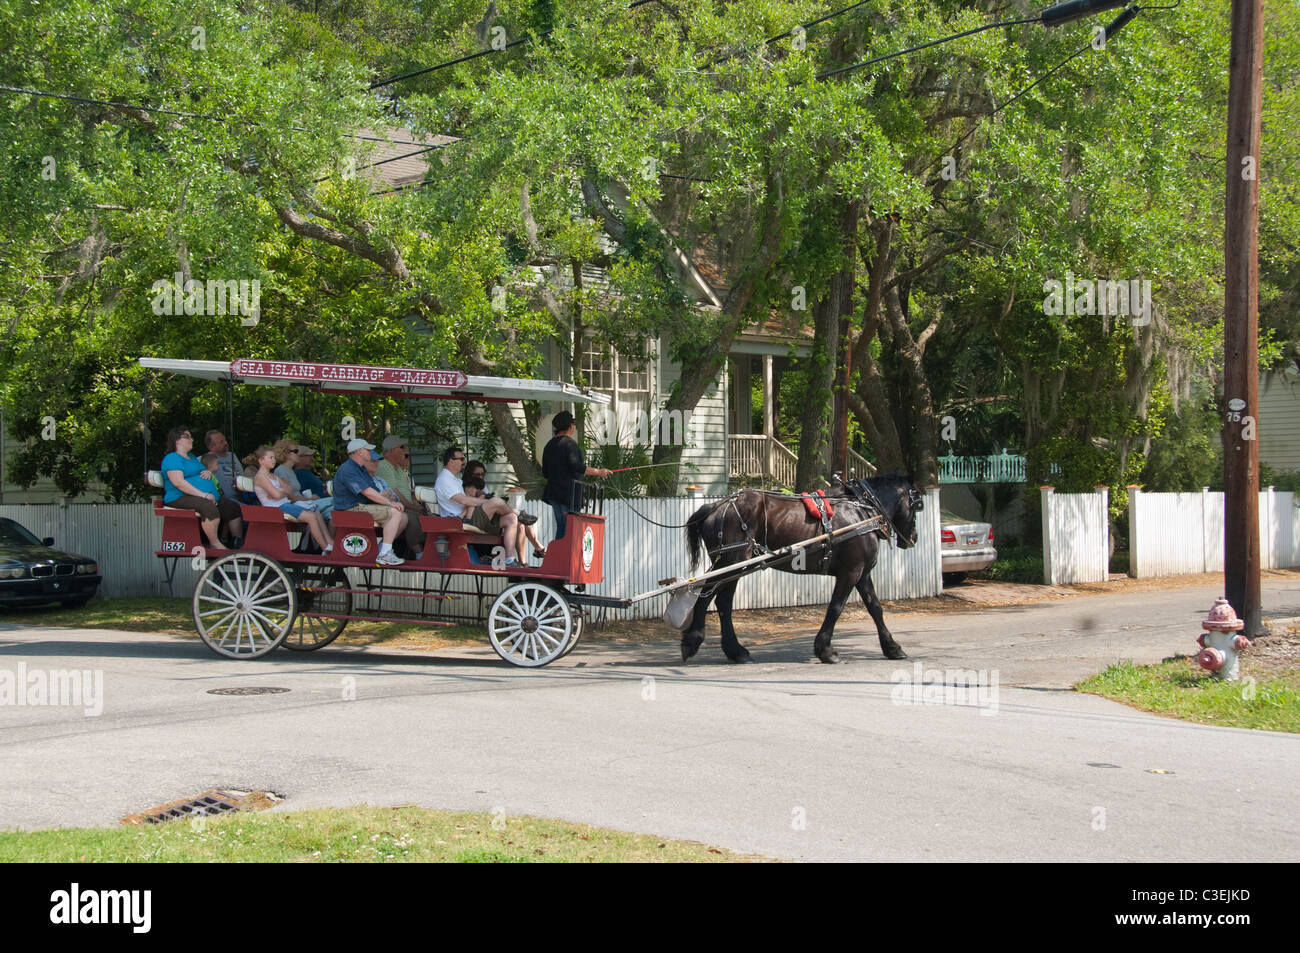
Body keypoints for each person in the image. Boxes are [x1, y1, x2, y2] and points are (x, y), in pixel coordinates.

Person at [434, 446, 535, 569]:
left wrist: (482, 499)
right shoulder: (444, 479)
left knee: (510, 519)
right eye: (461, 459)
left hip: (471, 516)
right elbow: (463, 500)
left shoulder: (455, 480)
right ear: (451, 461)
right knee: (496, 502)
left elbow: (467, 499)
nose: (464, 462)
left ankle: (510, 559)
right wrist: (484, 502)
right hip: (461, 519)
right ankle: (519, 513)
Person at [161, 425, 242, 550]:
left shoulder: (192, 457)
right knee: (207, 507)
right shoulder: (172, 458)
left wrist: (209, 472)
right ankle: (214, 543)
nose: (191, 439)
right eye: (187, 436)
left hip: (204, 496)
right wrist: (203, 495)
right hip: (180, 497)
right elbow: (178, 482)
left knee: (233, 508)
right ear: (177, 440)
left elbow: (202, 471)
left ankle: (237, 542)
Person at [332, 438, 408, 566]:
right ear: (359, 452)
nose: (370, 452)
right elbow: (367, 492)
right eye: (368, 450)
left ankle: (383, 548)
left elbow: (374, 491)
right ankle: (385, 553)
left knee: (400, 515)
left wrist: (389, 500)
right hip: (350, 508)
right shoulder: (348, 469)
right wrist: (390, 503)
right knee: (395, 513)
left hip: (360, 506)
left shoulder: (360, 469)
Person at [252, 445, 334, 554]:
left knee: (318, 514)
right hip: (277, 508)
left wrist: (280, 491)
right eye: (270, 458)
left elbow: (289, 491)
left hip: (285, 504)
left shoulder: (272, 476)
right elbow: (277, 494)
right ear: (261, 460)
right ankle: (325, 548)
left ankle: (329, 542)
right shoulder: (261, 477)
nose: (274, 460)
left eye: (274, 458)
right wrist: (281, 490)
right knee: (312, 517)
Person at [542, 411, 611, 539]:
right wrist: (599, 472)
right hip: (569, 495)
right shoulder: (569, 444)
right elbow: (577, 467)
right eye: (573, 424)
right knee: (569, 530)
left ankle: (560, 555)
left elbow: (545, 472)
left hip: (554, 494)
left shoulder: (549, 446)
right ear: (570, 427)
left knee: (562, 528)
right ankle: (565, 558)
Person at [465, 460, 546, 560]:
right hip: (480, 519)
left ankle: (523, 560)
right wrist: (483, 498)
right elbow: (470, 505)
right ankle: (537, 547)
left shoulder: (482, 486)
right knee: (518, 519)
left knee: (520, 524)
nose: (481, 477)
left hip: (491, 516)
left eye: (483, 474)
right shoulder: (468, 486)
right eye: (478, 474)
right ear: (470, 474)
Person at [364, 448, 424, 559]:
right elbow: (369, 496)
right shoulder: (363, 479)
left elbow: (394, 496)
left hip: (387, 508)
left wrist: (389, 497)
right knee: (408, 517)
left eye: (377, 461)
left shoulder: (380, 480)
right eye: (373, 461)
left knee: (415, 516)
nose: (376, 463)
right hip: (373, 509)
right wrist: (384, 496)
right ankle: (417, 551)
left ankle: (383, 547)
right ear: (364, 462)